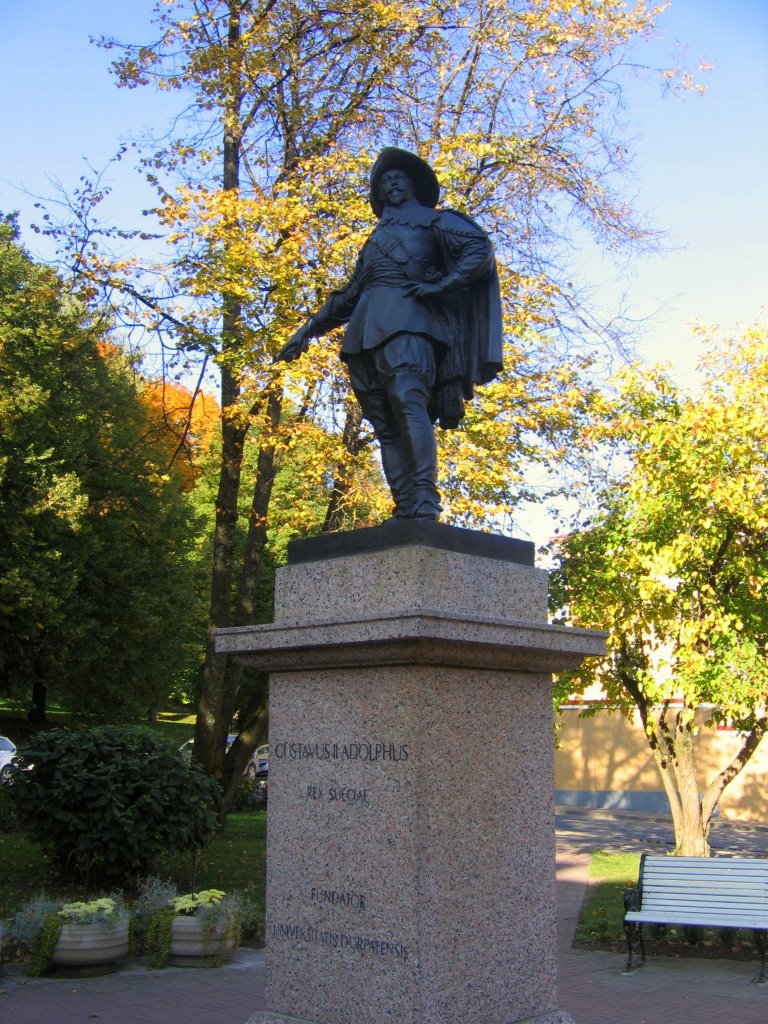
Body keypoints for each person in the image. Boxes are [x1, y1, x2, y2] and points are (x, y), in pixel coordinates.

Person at [277, 147, 503, 521]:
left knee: (407, 402)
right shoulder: (375, 240)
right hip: (365, 333)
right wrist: (307, 331)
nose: (393, 182)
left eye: (400, 177)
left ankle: (426, 501)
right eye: (385, 179)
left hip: (412, 325)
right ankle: (405, 505)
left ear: (414, 185)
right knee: (384, 423)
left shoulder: (435, 222)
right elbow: (349, 294)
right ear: (378, 193)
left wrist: (446, 283)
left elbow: (479, 249)